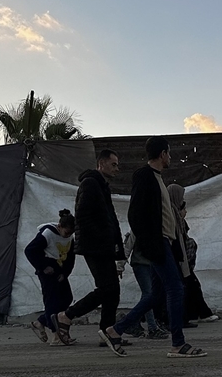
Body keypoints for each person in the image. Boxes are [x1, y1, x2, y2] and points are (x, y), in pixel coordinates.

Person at [99, 137, 206, 357]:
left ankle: (115, 330)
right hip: (157, 244)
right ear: (163, 154)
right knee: (176, 289)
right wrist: (151, 244)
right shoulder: (144, 176)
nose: (170, 157)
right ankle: (178, 344)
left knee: (156, 294)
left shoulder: (158, 179)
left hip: (164, 243)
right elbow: (135, 214)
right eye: (169, 153)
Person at [52, 149, 127, 344]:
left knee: (112, 290)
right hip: (96, 246)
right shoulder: (90, 184)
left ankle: (108, 333)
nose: (117, 168)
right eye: (113, 164)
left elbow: (111, 219)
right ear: (101, 164)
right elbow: (83, 218)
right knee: (107, 288)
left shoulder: (102, 185)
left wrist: (118, 250)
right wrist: (104, 241)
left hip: (104, 246)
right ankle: (66, 316)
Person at [167, 183, 218, 325]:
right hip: (177, 258)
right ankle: (198, 314)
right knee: (189, 285)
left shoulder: (175, 214)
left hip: (180, 258)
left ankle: (191, 315)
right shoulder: (170, 213)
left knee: (189, 286)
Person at [25, 209, 76, 345]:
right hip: (48, 272)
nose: (68, 236)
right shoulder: (47, 234)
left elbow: (70, 258)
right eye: (66, 232)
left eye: (71, 233)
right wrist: (42, 266)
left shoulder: (70, 237)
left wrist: (65, 273)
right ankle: (56, 335)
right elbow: (30, 250)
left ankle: (40, 322)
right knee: (52, 302)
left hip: (60, 272)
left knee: (67, 298)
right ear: (59, 227)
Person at [122, 230, 170, 339]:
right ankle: (152, 327)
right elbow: (128, 247)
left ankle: (131, 322)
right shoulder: (136, 228)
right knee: (149, 294)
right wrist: (120, 265)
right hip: (141, 265)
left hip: (153, 264)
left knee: (149, 295)